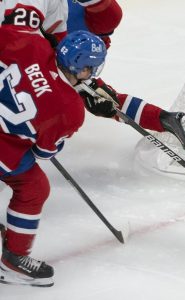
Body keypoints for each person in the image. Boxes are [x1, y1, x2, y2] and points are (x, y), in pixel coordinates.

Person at [0, 0, 185, 153]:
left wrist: (161, 118)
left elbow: (100, 94)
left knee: (98, 96)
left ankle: (166, 119)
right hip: (24, 45)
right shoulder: (51, 20)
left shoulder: (83, 38)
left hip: (43, 48)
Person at [0, 28, 108, 287]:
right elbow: (43, 152)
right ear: (81, 68)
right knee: (33, 186)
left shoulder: (32, 43)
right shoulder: (71, 109)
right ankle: (13, 262)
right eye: (90, 68)